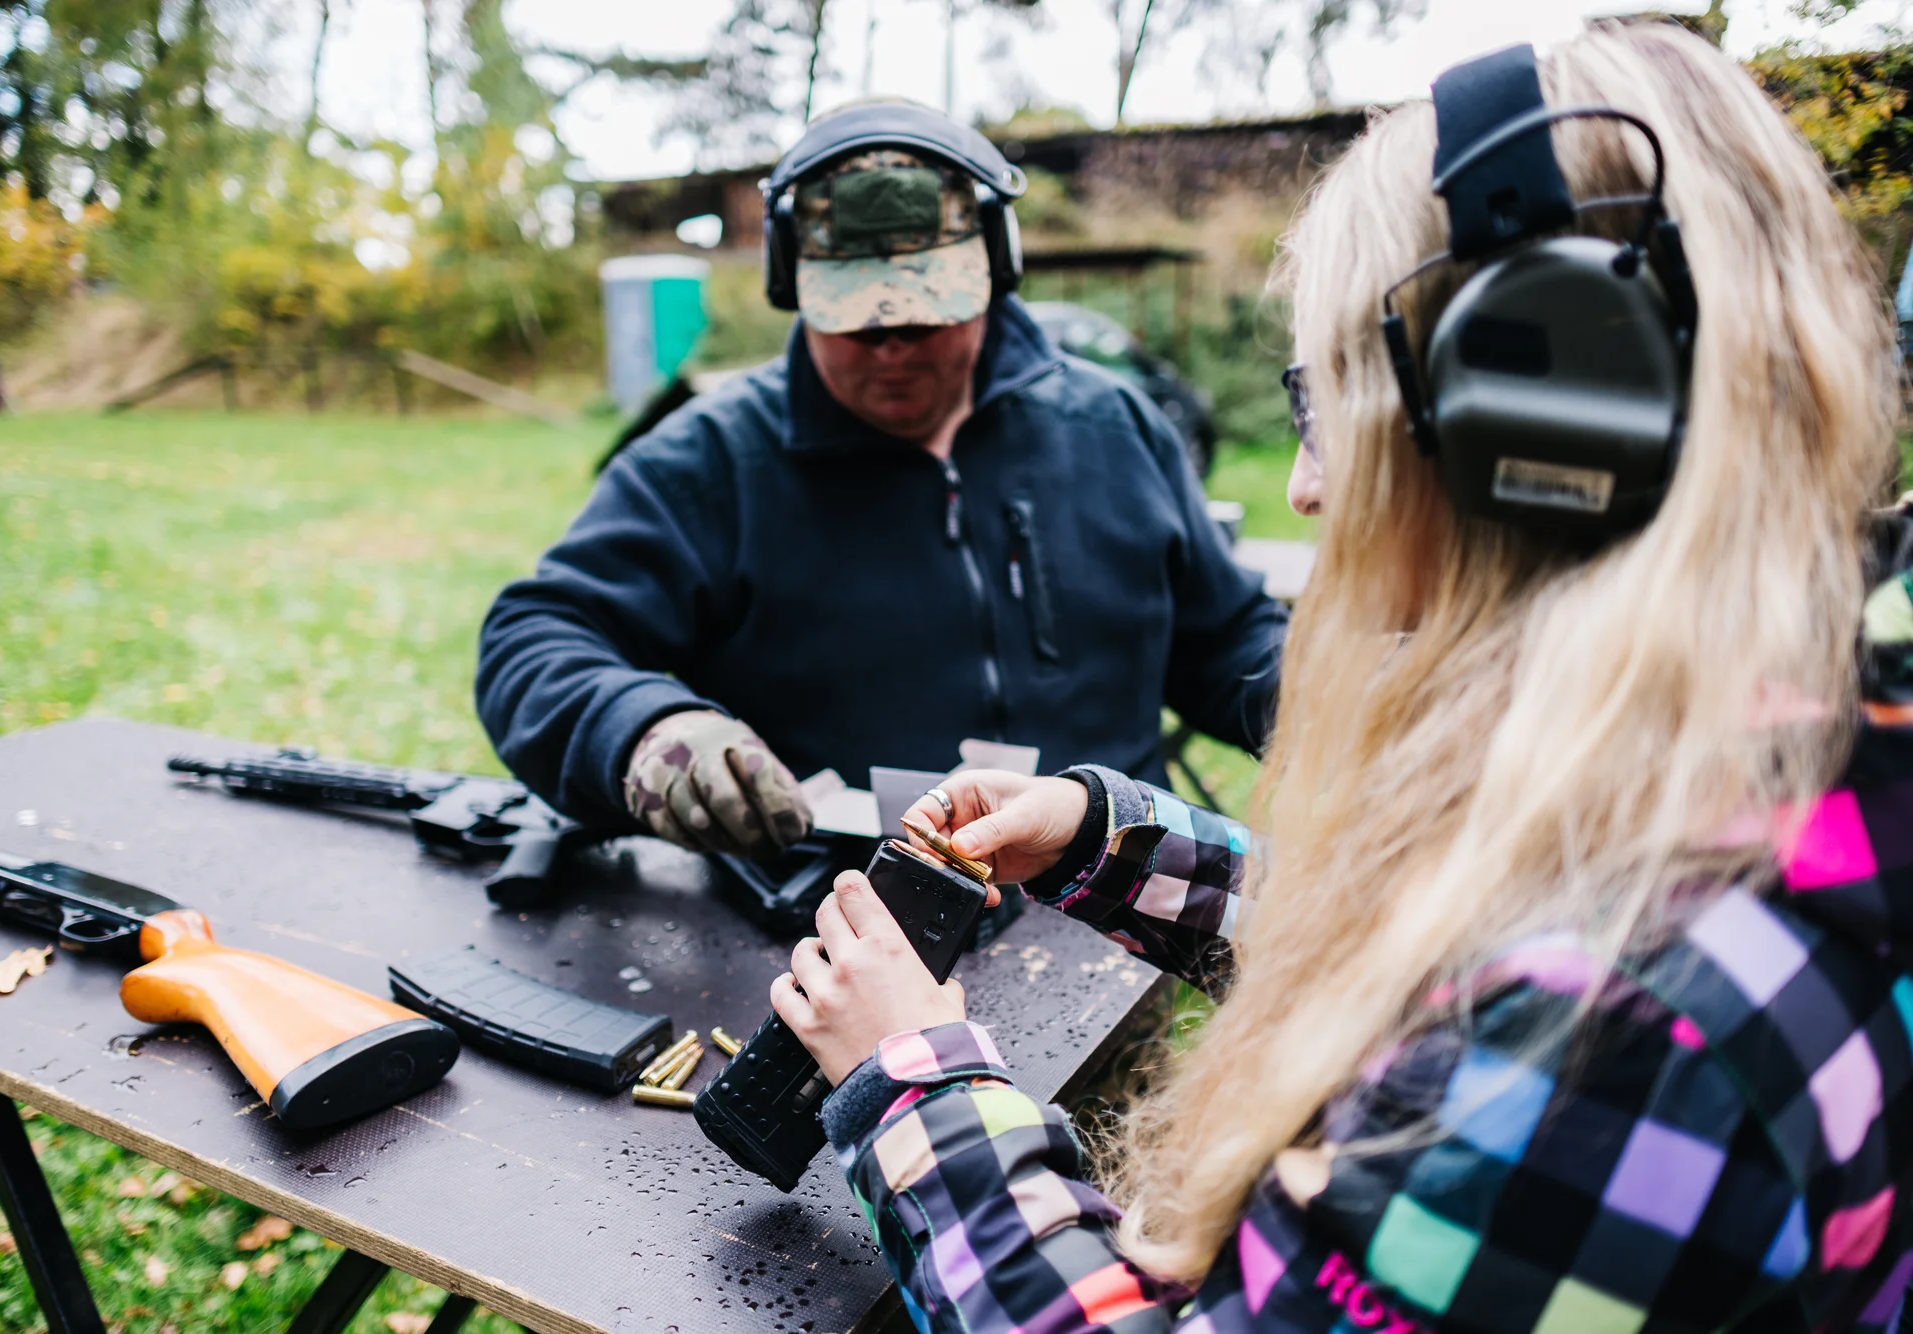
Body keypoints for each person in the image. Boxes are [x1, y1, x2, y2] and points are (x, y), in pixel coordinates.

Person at [769, 26, 1913, 1334]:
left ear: (1544, 413)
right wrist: (1112, 838)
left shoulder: (1609, 1043)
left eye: (1332, 405)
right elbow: (1457, 930)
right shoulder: (1796, 714)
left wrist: (915, 1088)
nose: (1307, 486)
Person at [475, 101, 1288, 858]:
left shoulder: (1114, 427)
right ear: (793, 286)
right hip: (841, 921)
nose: (896, 346)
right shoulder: (708, 461)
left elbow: (1223, 641)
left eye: (929, 313)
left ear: (993, 271)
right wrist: (647, 731)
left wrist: (1331, 698)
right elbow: (533, 638)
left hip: (1106, 905)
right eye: (860, 321)